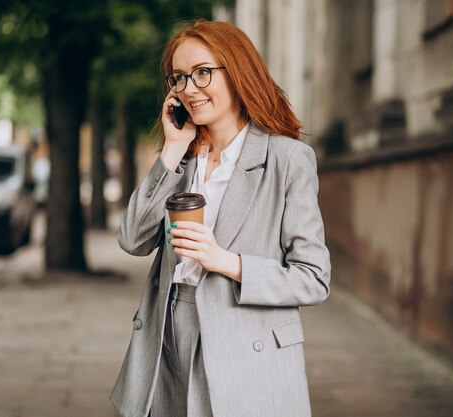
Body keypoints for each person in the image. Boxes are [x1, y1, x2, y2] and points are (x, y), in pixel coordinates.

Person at [109, 19, 331, 417]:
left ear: (238, 71)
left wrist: (226, 261)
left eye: (202, 73)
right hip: (167, 334)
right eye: (178, 78)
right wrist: (173, 149)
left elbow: (313, 279)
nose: (189, 88)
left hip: (245, 344)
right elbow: (132, 239)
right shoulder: (183, 160)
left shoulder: (287, 159)